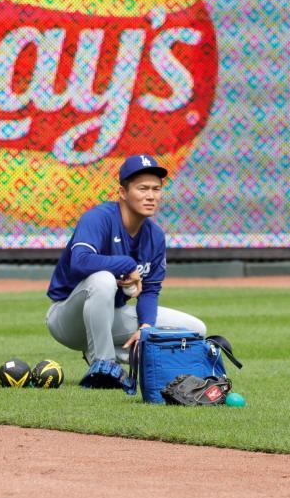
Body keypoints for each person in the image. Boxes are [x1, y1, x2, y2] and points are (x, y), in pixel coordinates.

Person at [46, 154, 206, 383]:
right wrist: (128, 264)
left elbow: (150, 290)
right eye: (142, 188)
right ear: (123, 192)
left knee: (195, 329)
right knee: (103, 279)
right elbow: (80, 261)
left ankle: (137, 356)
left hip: (108, 319)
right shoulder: (98, 218)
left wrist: (146, 328)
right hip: (67, 318)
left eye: (156, 189)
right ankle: (104, 364)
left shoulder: (155, 236)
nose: (151, 196)